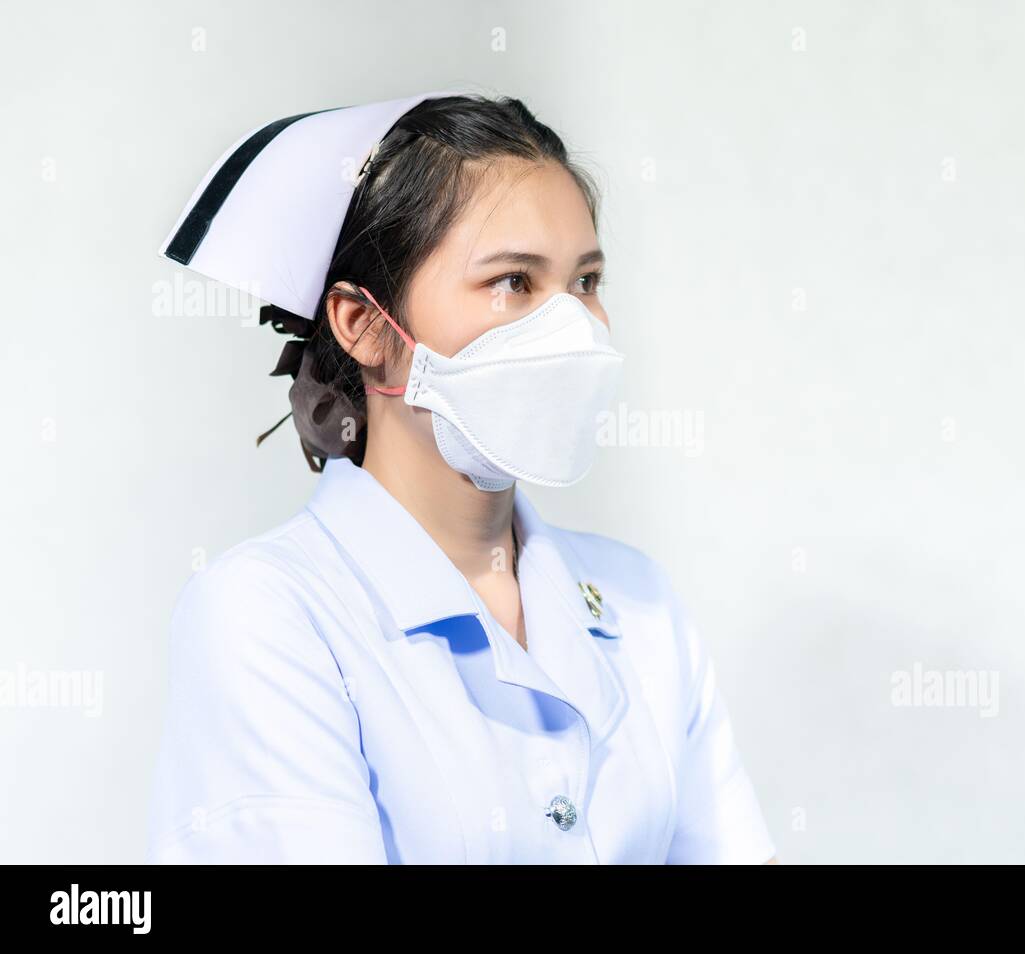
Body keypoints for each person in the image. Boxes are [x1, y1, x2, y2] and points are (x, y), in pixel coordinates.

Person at [146, 90, 779, 864]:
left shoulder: (639, 602)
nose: (572, 327)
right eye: (514, 281)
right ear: (365, 324)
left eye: (585, 282)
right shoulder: (267, 615)